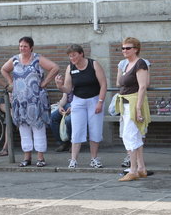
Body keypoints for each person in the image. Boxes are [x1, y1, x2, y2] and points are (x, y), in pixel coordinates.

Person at [1, 36, 59, 167]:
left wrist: (44, 82)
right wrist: (11, 83)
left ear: (31, 47)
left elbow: (55, 67)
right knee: (23, 128)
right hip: (20, 100)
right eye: (20, 46)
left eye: (25, 46)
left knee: (38, 127)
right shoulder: (15, 59)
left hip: (36, 99)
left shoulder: (37, 58)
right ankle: (27, 157)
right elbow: (3, 69)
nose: (22, 48)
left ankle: (40, 157)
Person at [55, 44, 107, 169]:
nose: (72, 58)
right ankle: (73, 160)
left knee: (95, 129)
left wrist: (100, 102)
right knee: (77, 130)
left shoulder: (93, 64)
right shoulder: (70, 67)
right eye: (70, 56)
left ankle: (94, 158)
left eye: (74, 55)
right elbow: (67, 88)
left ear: (81, 54)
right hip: (78, 100)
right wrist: (60, 86)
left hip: (94, 99)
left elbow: (104, 84)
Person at [115, 37, 150, 181]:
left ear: (135, 49)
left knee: (129, 136)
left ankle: (133, 170)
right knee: (133, 136)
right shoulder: (127, 65)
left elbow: (142, 86)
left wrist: (138, 108)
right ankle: (141, 168)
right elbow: (119, 83)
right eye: (123, 48)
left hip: (134, 102)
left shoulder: (140, 63)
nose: (124, 50)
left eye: (128, 48)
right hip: (126, 102)